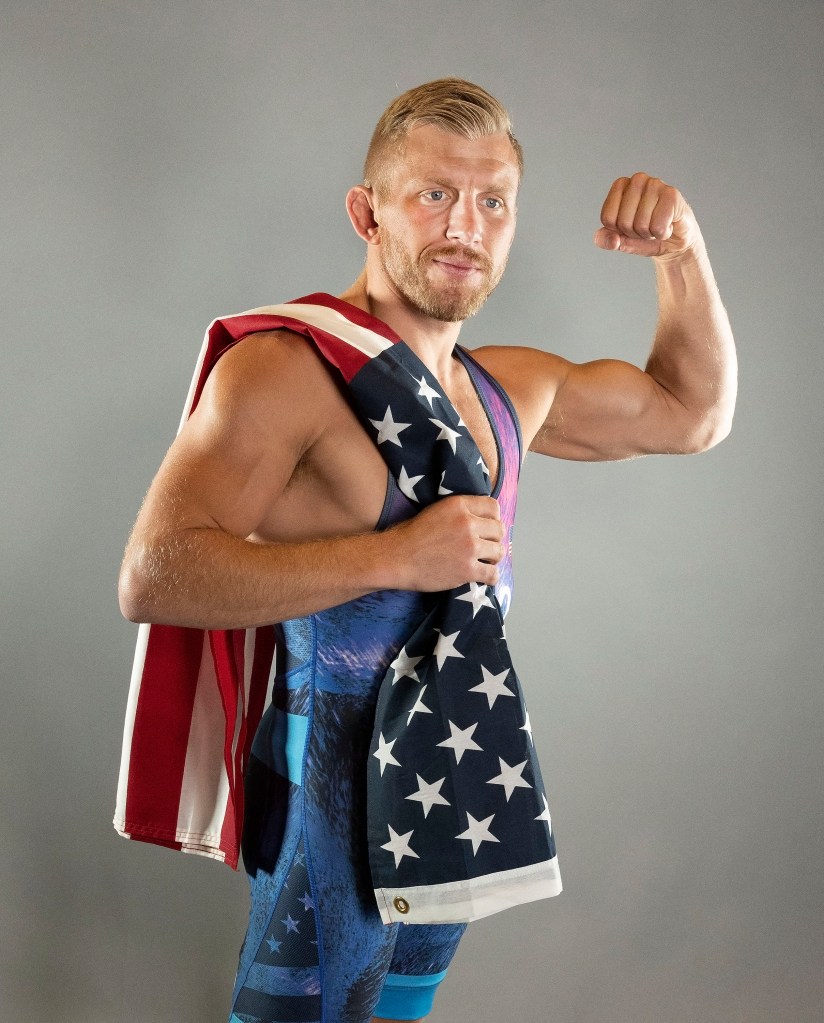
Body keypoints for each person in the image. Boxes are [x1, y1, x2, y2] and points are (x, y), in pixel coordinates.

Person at [117, 78, 736, 1023]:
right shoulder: (286, 373)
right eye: (434, 194)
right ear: (367, 212)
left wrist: (684, 254)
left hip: (448, 800)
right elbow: (154, 573)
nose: (466, 226)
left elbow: (694, 414)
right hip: (326, 816)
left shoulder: (506, 392)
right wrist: (394, 557)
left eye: (493, 202)